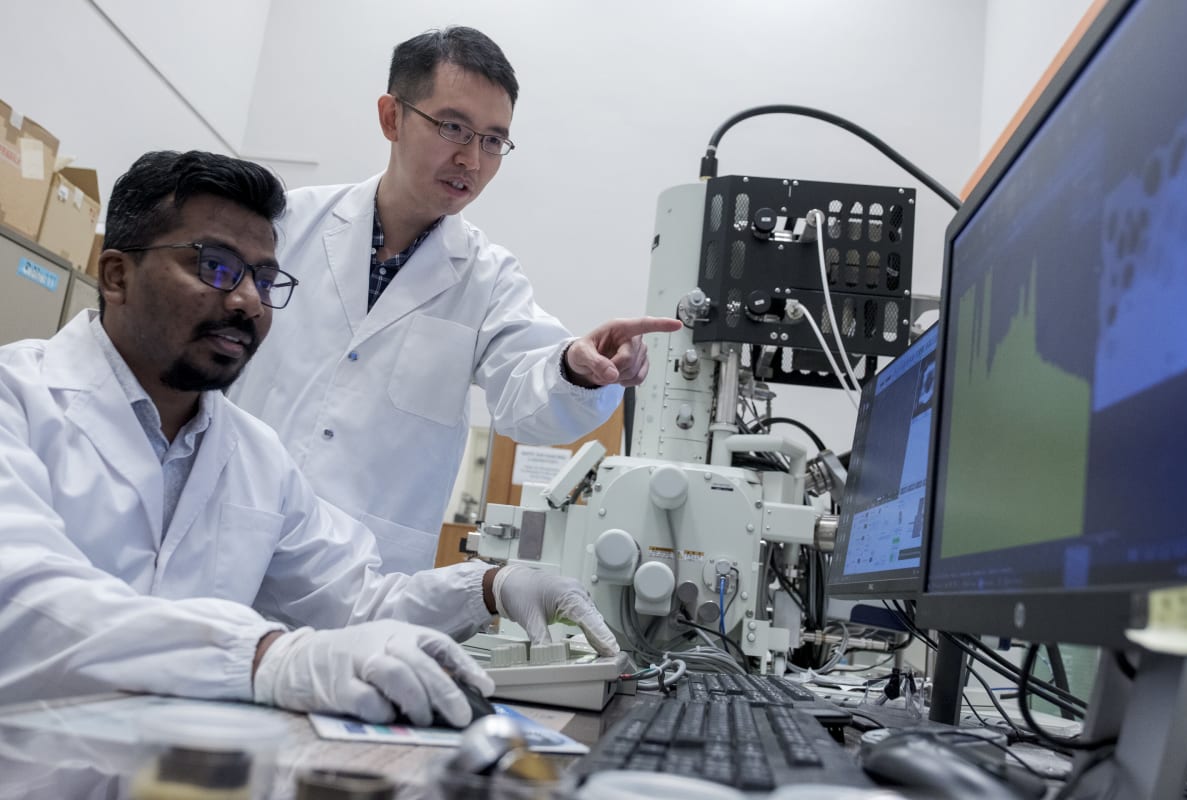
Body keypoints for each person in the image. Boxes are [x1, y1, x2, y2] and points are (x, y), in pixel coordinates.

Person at [0, 150, 619, 729]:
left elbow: (357, 602)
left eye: (265, 280)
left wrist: (491, 586)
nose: (247, 300)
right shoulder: (18, 402)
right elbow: (25, 604)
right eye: (216, 267)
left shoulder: (252, 456)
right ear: (115, 275)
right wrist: (265, 657)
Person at [228, 26, 681, 573]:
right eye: (453, 127)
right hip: (233, 530)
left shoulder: (488, 280)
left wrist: (577, 369)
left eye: (494, 140)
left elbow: (526, 396)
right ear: (392, 117)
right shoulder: (286, 226)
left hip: (365, 569)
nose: (472, 158)